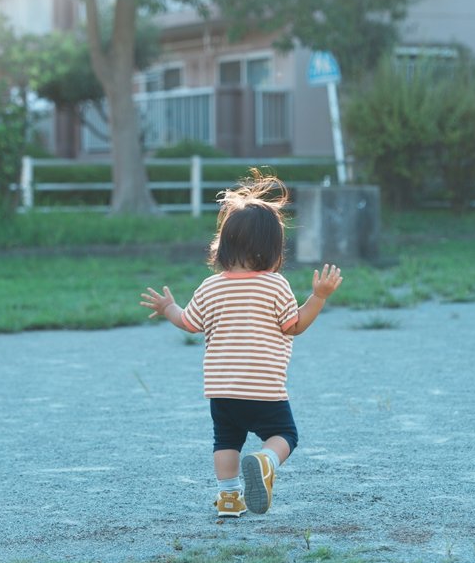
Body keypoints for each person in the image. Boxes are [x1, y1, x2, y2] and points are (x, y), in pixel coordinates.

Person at [140, 170, 343, 519]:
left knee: (226, 440)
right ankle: (266, 460)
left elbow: (189, 323)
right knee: (284, 434)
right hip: (264, 389)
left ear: (223, 246)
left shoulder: (210, 287)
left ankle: (229, 497)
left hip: (222, 391)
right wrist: (318, 298)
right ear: (274, 250)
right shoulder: (275, 286)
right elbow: (293, 326)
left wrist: (168, 307)